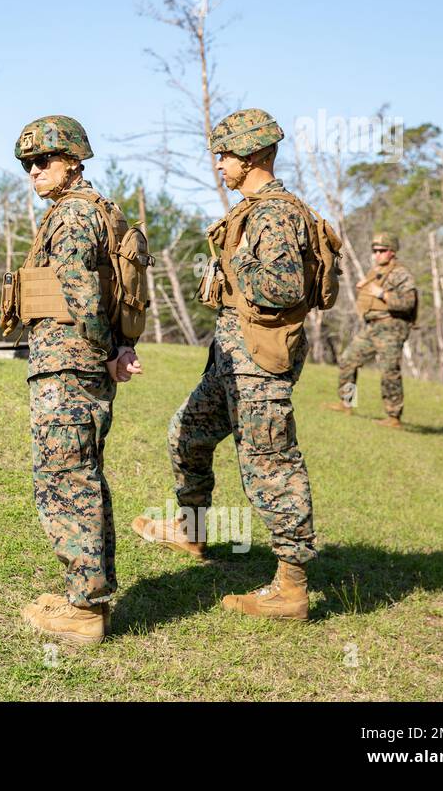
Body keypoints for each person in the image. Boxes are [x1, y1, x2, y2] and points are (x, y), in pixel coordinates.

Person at [133, 108, 318, 621]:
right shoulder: (251, 209)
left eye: (226, 153)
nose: (218, 163)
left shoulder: (274, 214)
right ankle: (192, 534)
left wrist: (233, 260)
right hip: (232, 360)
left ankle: (291, 586)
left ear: (255, 154)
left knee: (270, 465)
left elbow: (285, 288)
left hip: (260, 360)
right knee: (187, 432)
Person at [10, 116, 143, 646]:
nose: (35, 171)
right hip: (83, 361)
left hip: (69, 364)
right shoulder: (99, 212)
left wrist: (108, 350)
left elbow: (82, 294)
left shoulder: (71, 217)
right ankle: (85, 595)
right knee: (82, 475)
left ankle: (86, 611)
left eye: (45, 160)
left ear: (73, 161)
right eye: (29, 164)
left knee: (65, 480)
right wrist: (114, 349)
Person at [325, 233, 417, 428]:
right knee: (348, 360)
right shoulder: (376, 271)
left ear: (392, 252)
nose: (377, 254)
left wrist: (383, 294)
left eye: (382, 251)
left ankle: (393, 417)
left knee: (389, 371)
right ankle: (346, 403)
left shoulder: (401, 274)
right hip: (373, 327)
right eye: (375, 251)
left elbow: (409, 303)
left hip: (392, 327)